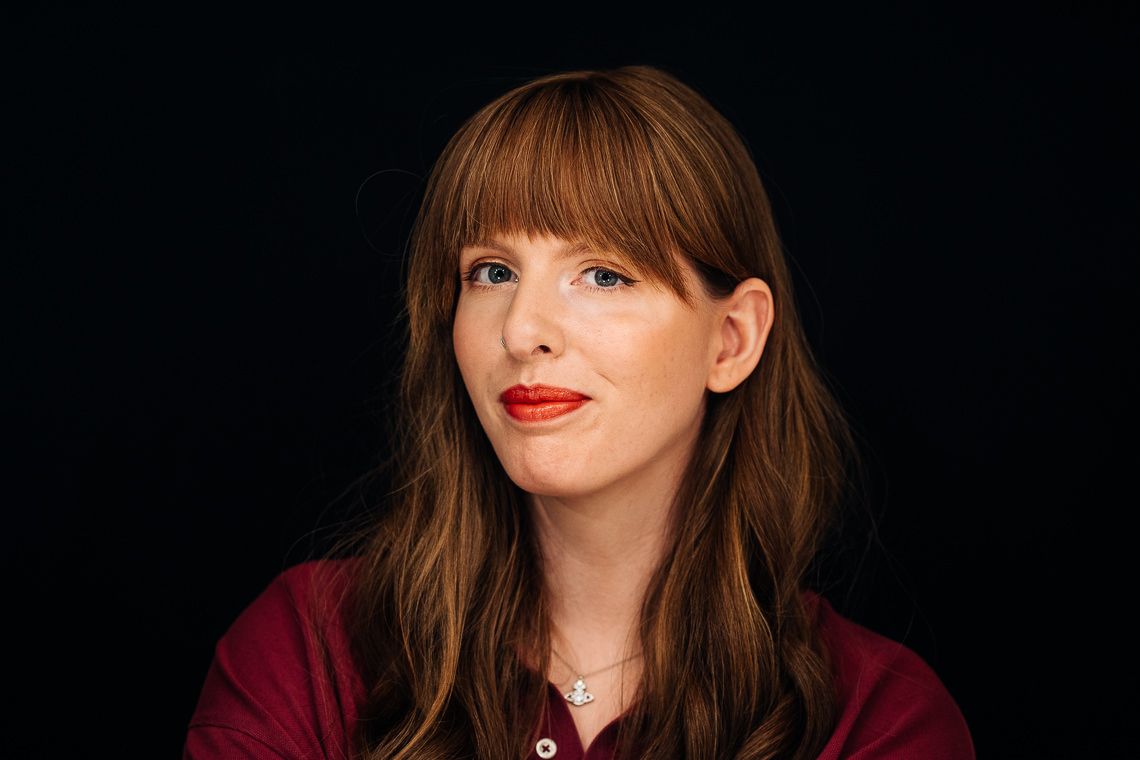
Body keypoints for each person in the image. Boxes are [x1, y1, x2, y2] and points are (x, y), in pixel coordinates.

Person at [184, 65, 974, 759]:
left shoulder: (877, 721)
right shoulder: (308, 653)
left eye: (602, 275)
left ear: (731, 340)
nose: (521, 331)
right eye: (492, 271)